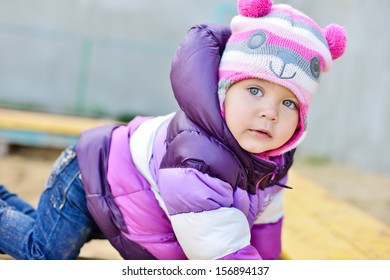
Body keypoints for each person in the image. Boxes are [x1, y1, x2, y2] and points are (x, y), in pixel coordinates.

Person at [0, 0, 347, 260]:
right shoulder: (196, 158)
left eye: (289, 104)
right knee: (43, 256)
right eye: (254, 91)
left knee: (46, 231)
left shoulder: (271, 160)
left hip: (125, 193)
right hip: (89, 177)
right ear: (224, 91)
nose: (269, 112)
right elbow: (219, 255)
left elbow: (267, 217)